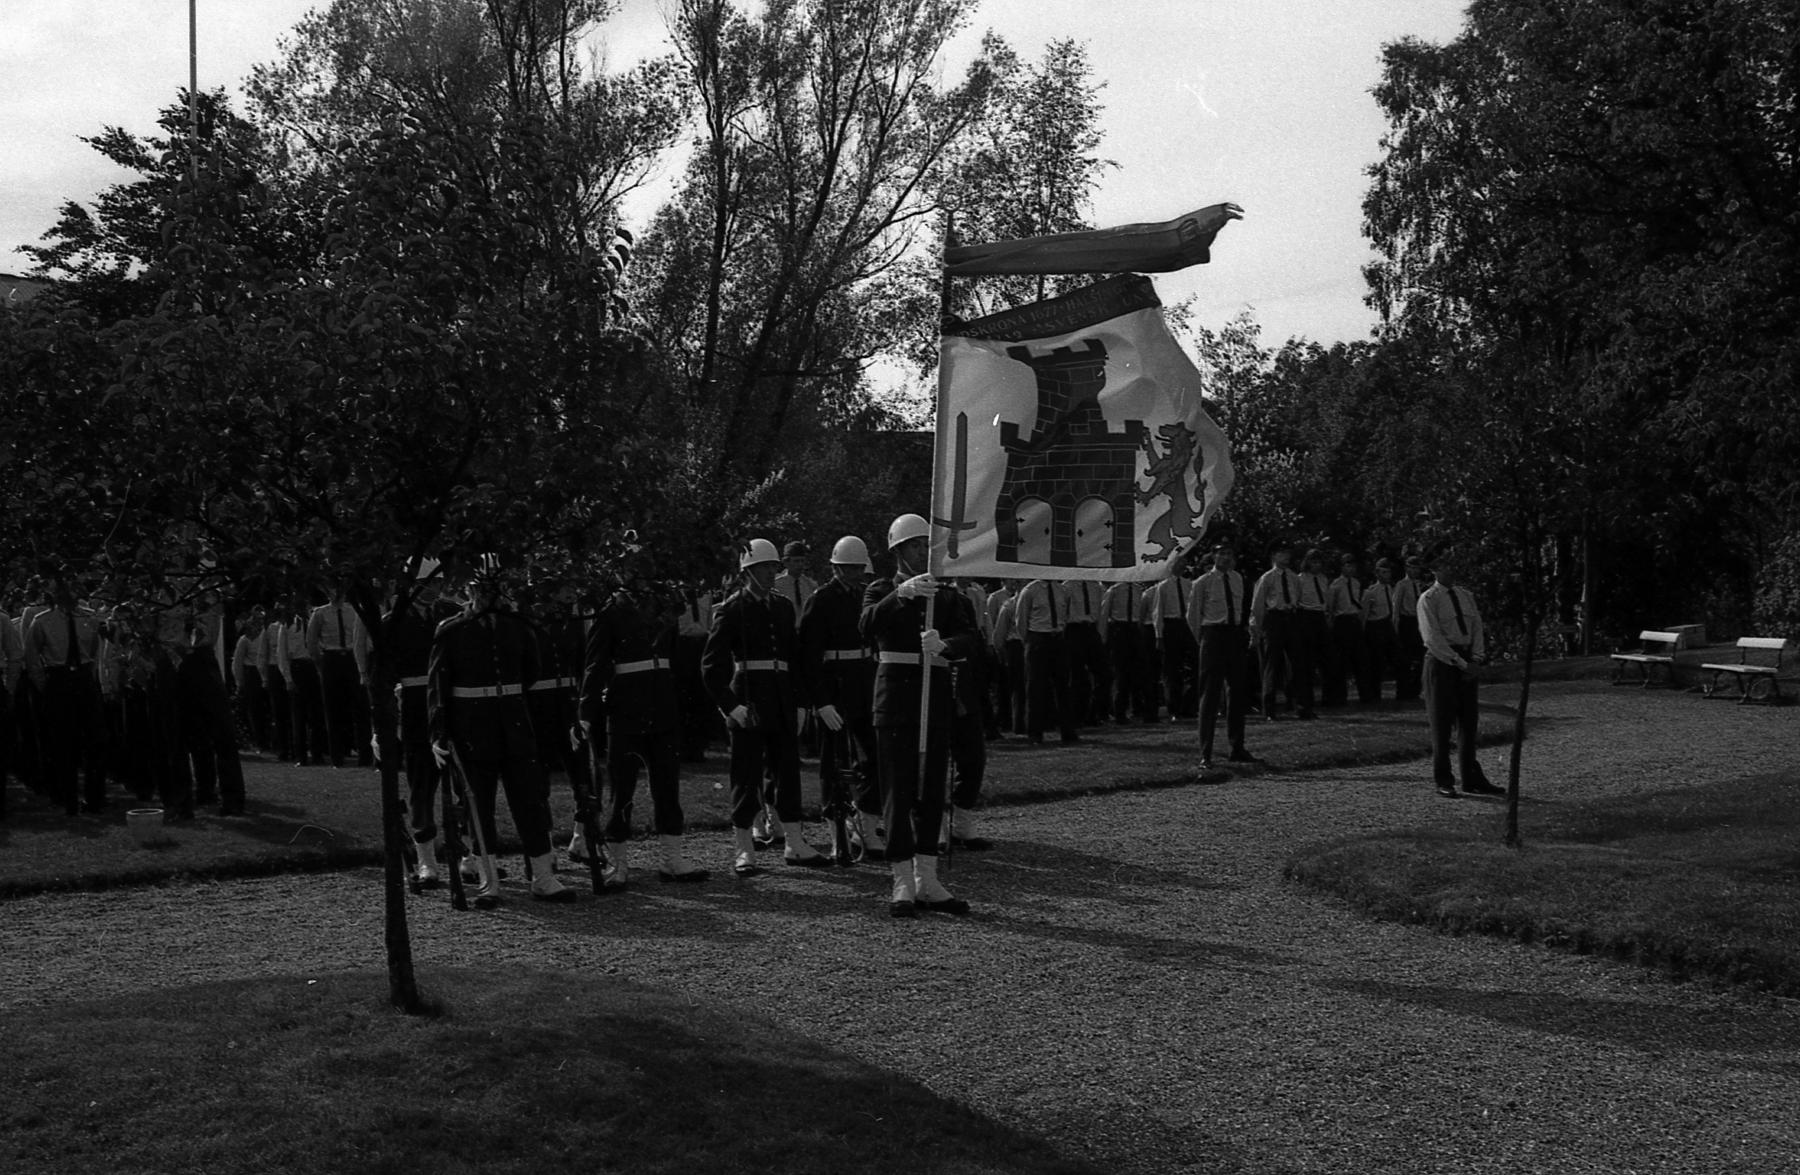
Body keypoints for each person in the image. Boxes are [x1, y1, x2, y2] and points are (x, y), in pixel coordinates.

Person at [427, 556, 575, 904]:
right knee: (478, 805)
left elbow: (531, 671)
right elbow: (438, 686)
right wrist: (438, 732)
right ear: (469, 590)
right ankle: (488, 879)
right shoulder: (452, 630)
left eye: (493, 589)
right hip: (471, 727)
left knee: (529, 800)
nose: (487, 596)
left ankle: (542, 876)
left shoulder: (517, 626)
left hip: (514, 722)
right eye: (481, 589)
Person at [860, 513, 980, 917]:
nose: (922, 552)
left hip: (935, 700)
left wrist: (945, 645)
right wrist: (901, 596)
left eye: (926, 545)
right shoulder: (880, 589)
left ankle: (927, 876)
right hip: (896, 702)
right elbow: (866, 625)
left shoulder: (946, 597)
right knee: (897, 790)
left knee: (931, 790)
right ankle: (901, 879)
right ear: (897, 551)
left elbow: (970, 638)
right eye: (914, 546)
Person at [702, 538, 827, 876]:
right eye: (764, 567)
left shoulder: (782, 607)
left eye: (774, 566)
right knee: (746, 774)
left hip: (781, 696)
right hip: (749, 697)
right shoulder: (731, 608)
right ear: (748, 571)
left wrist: (800, 703)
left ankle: (794, 841)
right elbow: (711, 666)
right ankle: (744, 847)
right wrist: (731, 707)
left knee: (787, 771)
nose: (772, 573)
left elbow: (794, 659)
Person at [579, 577, 709, 885]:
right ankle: (618, 862)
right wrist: (586, 713)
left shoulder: (663, 608)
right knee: (622, 789)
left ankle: (671, 858)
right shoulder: (610, 612)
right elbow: (595, 663)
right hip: (626, 710)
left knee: (667, 785)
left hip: (662, 706)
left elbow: (676, 659)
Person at [799, 535, 885, 859]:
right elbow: (809, 656)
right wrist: (820, 701)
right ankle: (836, 830)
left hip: (863, 682)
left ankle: (866, 822)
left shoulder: (865, 596)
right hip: (834, 685)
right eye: (848, 567)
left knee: (872, 758)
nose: (854, 573)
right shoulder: (821, 600)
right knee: (834, 763)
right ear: (836, 568)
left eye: (858, 567)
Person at [1418, 551, 1502, 799]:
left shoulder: (1466, 596)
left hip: (1465, 657)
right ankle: (1444, 779)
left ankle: (1471, 777)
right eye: (1445, 565)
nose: (1452, 570)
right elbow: (1432, 638)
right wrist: (1461, 663)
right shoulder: (1429, 599)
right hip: (1442, 661)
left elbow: (1476, 626)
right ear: (1435, 569)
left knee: (1468, 722)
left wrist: (1475, 658)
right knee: (1442, 723)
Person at [388, 562, 451, 887]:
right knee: (421, 783)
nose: (434, 589)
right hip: (415, 705)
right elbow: (384, 671)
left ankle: (468, 853)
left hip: (451, 702)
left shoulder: (451, 614)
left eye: (438, 582)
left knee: (463, 782)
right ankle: (426, 858)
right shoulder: (394, 621)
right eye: (428, 582)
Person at [25, 571, 105, 816]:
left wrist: (91, 676)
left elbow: (95, 651)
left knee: (94, 741)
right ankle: (67, 797)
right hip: (58, 678)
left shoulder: (89, 618)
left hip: (83, 677)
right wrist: (45, 684)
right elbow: (32, 656)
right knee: (62, 742)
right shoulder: (42, 620)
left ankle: (95, 798)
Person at [1189, 543, 1255, 770]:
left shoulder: (1238, 579)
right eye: (1222, 554)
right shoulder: (1203, 582)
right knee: (1209, 695)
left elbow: (1242, 608)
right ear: (1214, 556)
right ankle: (1205, 753)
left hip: (1233, 634)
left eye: (1230, 554)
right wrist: (1204, 640)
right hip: (1213, 635)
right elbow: (1193, 615)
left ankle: (1237, 747)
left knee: (1236, 693)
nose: (1226, 558)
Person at [308, 585, 370, 768]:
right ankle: (337, 756)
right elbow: (311, 641)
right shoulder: (320, 613)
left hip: (352, 657)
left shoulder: (355, 610)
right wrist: (320, 662)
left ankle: (365, 755)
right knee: (333, 710)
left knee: (361, 709)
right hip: (331, 658)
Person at [1251, 542, 1313, 721]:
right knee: (1271, 664)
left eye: (1287, 553)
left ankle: (1302, 707)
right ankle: (1269, 710)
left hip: (1290, 617)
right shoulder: (1267, 578)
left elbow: (1297, 596)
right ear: (1273, 556)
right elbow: (1258, 605)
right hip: (1274, 619)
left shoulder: (1293, 577)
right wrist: (1257, 629)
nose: (1286, 557)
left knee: (1297, 663)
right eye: (1281, 553)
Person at [1014, 576, 1076, 744]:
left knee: (1063, 686)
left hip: (1057, 638)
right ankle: (1035, 732)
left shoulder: (1062, 590)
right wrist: (1029, 641)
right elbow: (1021, 619)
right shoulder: (1030, 590)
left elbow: (1065, 614)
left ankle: (1068, 731)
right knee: (1035, 687)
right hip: (1038, 638)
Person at [1151, 563, 1197, 721]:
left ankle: (1189, 706)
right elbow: (1158, 611)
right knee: (1172, 669)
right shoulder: (1163, 586)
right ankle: (1174, 709)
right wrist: (1159, 635)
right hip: (1171, 625)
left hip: (1187, 624)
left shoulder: (1189, 584)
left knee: (1194, 665)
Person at [1061, 579, 1110, 726]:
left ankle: (1094, 713)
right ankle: (1077, 715)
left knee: (1104, 674)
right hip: (1074, 629)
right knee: (1077, 676)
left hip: (1091, 629)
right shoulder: (1067, 587)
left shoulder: (1097, 587)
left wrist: (1101, 634)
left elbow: (1101, 612)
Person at [1326, 554, 1367, 708]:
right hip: (1342, 620)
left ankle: (1365, 694)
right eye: (1348, 565)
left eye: (1353, 566)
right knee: (1341, 660)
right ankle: (1340, 696)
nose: (1351, 569)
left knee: (1360, 658)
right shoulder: (1336, 585)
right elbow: (1331, 607)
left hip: (1354, 619)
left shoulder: (1356, 583)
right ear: (1342, 567)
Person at [1359, 557, 1399, 704]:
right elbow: (1364, 615)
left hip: (1388, 625)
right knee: (1376, 661)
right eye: (1383, 572)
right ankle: (1374, 694)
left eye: (1388, 572)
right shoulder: (1370, 592)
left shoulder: (1391, 589)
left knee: (1396, 658)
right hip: (1375, 627)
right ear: (1377, 573)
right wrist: (1362, 634)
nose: (1386, 575)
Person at [1392, 554, 1429, 702]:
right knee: (1404, 658)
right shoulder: (1402, 585)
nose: (1414, 571)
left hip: (1418, 621)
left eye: (1417, 568)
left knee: (1419, 657)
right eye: (1411, 568)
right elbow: (1396, 607)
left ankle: (1415, 690)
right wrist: (1395, 628)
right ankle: (1403, 691)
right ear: (1406, 568)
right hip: (1406, 622)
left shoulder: (1420, 585)